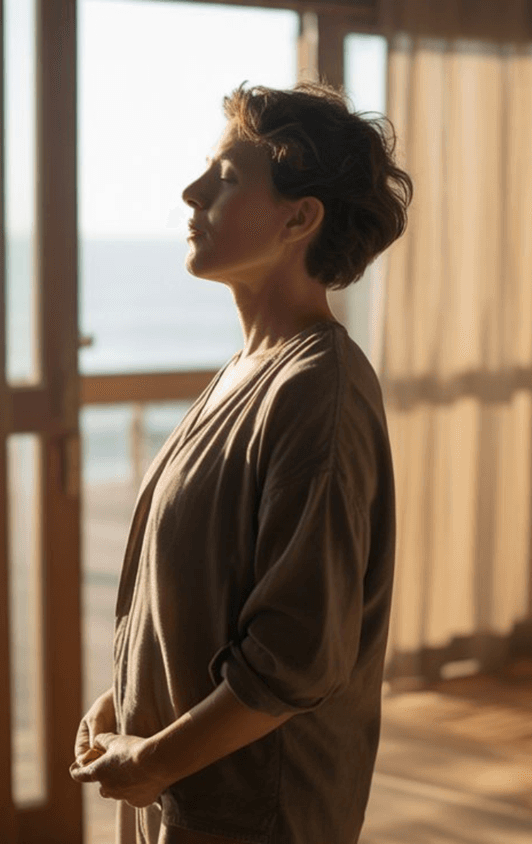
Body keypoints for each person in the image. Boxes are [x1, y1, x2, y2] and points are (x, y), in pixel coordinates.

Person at [70, 82, 413, 844]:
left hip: (258, 815)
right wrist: (127, 699)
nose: (192, 194)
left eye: (225, 179)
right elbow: (205, 594)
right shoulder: (246, 370)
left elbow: (296, 652)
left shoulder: (317, 391)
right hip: (192, 794)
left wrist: (157, 759)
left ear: (300, 217)